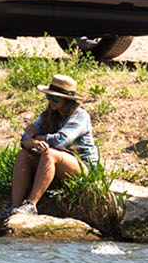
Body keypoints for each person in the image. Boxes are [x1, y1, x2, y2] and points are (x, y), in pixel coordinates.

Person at [6, 73, 100, 216]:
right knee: (24, 155)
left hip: (82, 166)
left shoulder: (80, 117)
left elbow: (61, 141)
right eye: (49, 96)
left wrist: (38, 138)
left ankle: (31, 205)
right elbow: (24, 140)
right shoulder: (48, 114)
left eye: (56, 98)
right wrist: (34, 143)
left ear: (67, 100)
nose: (51, 101)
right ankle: (15, 206)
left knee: (49, 153)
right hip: (58, 160)